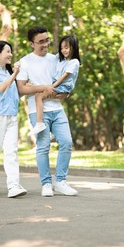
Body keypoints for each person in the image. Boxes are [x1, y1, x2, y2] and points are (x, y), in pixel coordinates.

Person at [17, 26, 79, 197]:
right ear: (31, 43)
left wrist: (66, 93)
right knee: (43, 147)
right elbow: (21, 89)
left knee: (66, 142)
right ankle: (46, 184)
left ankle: (60, 182)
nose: (46, 44)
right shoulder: (25, 62)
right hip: (38, 111)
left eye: (47, 40)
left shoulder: (56, 59)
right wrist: (42, 88)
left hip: (57, 109)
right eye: (41, 42)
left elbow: (68, 78)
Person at [0, 40, 27, 198]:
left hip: (11, 117)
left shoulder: (9, 73)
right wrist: (15, 74)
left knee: (12, 152)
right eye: (7, 51)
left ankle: (14, 186)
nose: (11, 54)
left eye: (10, 51)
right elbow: (0, 89)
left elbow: (15, 94)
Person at [28, 34, 81, 135]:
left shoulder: (74, 62)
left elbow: (64, 76)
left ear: (73, 48)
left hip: (62, 86)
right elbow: (47, 56)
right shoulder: (61, 59)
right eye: (61, 48)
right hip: (58, 86)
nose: (63, 50)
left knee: (39, 97)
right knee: (39, 92)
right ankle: (48, 127)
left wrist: (53, 86)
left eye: (66, 48)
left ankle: (39, 124)